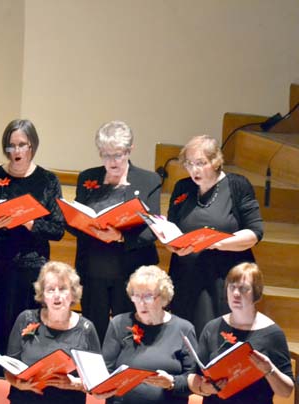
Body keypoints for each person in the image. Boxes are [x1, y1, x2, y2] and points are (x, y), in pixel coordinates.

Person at [0, 119, 65, 364]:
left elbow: (58, 229)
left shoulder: (47, 181)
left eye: (22, 145)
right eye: (10, 146)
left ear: (32, 146)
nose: (16, 152)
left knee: (24, 329)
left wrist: (30, 222)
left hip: (30, 267)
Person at [71, 120, 161, 343]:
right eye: (105, 154)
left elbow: (153, 229)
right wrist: (84, 223)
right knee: (93, 330)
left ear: (130, 150)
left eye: (118, 155)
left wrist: (120, 236)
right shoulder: (87, 178)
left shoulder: (148, 180)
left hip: (130, 272)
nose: (111, 161)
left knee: (128, 332)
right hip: (93, 270)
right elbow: (74, 221)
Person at [167, 135, 263, 334]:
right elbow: (172, 230)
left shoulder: (237, 185)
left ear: (215, 161)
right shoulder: (182, 187)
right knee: (185, 335)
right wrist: (172, 244)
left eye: (201, 163)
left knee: (215, 336)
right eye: (189, 163)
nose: (194, 170)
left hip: (222, 279)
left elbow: (254, 233)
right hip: (186, 276)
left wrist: (215, 242)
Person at [187, 262, 294, 403]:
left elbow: (286, 392)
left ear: (256, 293)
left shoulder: (272, 334)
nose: (236, 294)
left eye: (243, 289)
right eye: (232, 288)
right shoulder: (212, 327)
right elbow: (193, 376)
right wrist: (204, 389)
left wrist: (270, 370)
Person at [5, 261, 101, 403]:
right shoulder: (26, 318)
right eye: (50, 289)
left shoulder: (86, 328)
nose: (57, 295)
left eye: (63, 289)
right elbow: (9, 368)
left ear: (73, 293)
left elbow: (97, 381)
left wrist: (74, 383)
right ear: (42, 295)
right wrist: (17, 383)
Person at [102, 265, 197, 404]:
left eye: (148, 297)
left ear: (163, 297)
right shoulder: (119, 323)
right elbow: (105, 370)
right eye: (136, 296)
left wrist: (172, 382)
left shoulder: (184, 329)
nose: (141, 303)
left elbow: (193, 379)